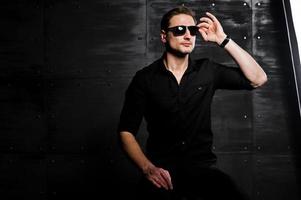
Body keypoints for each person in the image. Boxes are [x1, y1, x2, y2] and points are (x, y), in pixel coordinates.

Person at [117, 6, 267, 200]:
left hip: (202, 173)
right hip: (163, 175)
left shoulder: (208, 71)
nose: (188, 35)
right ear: (164, 36)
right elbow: (126, 131)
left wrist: (223, 40)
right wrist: (148, 169)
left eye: (193, 30)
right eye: (180, 30)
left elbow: (258, 79)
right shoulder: (145, 79)